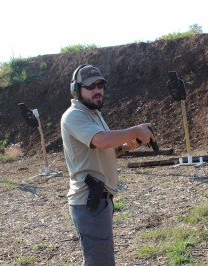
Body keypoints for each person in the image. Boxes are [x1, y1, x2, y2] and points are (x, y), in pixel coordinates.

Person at [60, 64, 154, 265]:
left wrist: (124, 148)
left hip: (100, 200)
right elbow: (102, 140)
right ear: (76, 90)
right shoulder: (74, 115)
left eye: (100, 85)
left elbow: (101, 148)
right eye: (90, 86)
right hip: (89, 201)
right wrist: (136, 131)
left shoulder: (94, 114)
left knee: (101, 260)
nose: (97, 90)